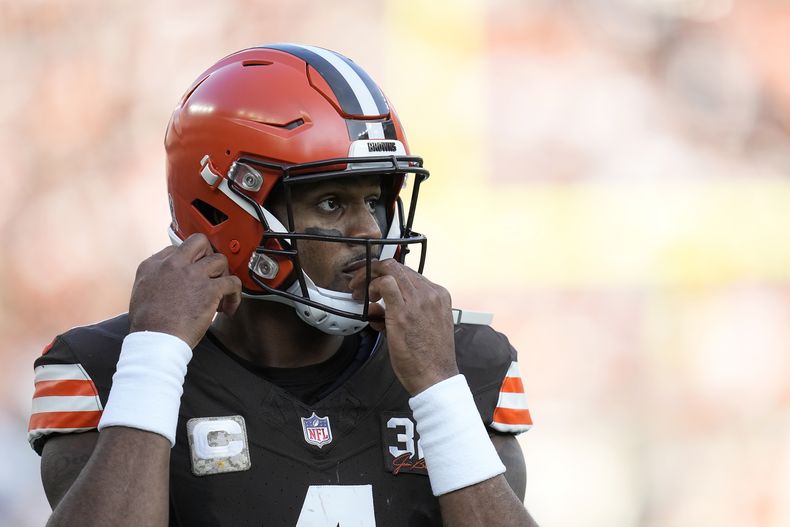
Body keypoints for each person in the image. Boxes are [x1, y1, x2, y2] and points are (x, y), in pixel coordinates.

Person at [27, 44, 537, 526]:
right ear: (230, 211)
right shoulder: (109, 368)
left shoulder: (464, 363)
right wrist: (153, 360)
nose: (368, 232)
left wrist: (440, 390)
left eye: (377, 201)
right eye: (332, 202)